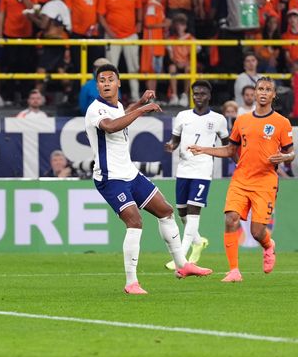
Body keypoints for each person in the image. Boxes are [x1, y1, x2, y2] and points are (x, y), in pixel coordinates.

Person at [84, 63, 212, 294]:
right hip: (110, 177)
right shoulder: (95, 109)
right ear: (97, 85)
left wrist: (139, 103)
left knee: (165, 211)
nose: (105, 84)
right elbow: (111, 126)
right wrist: (142, 110)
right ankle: (131, 282)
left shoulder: (116, 105)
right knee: (135, 222)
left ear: (118, 83)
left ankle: (182, 265)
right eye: (101, 80)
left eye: (110, 79)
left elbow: (120, 115)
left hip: (129, 172)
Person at [189, 77, 294, 282]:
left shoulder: (281, 122)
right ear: (254, 93)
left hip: (265, 181)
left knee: (257, 232)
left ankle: (268, 245)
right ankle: (234, 271)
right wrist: (204, 149)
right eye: (260, 89)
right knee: (230, 219)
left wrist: (286, 157)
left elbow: (291, 153)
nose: (263, 92)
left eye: (268, 89)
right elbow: (230, 149)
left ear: (273, 95)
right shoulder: (242, 120)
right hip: (241, 179)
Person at [163, 81, 229, 270]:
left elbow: (227, 145)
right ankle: (198, 241)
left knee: (193, 211)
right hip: (184, 169)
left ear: (209, 96)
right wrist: (171, 146)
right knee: (182, 211)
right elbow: (175, 140)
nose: (198, 97)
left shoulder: (218, 119)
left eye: (202, 94)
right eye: (196, 93)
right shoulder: (182, 116)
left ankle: (181, 257)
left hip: (203, 169)